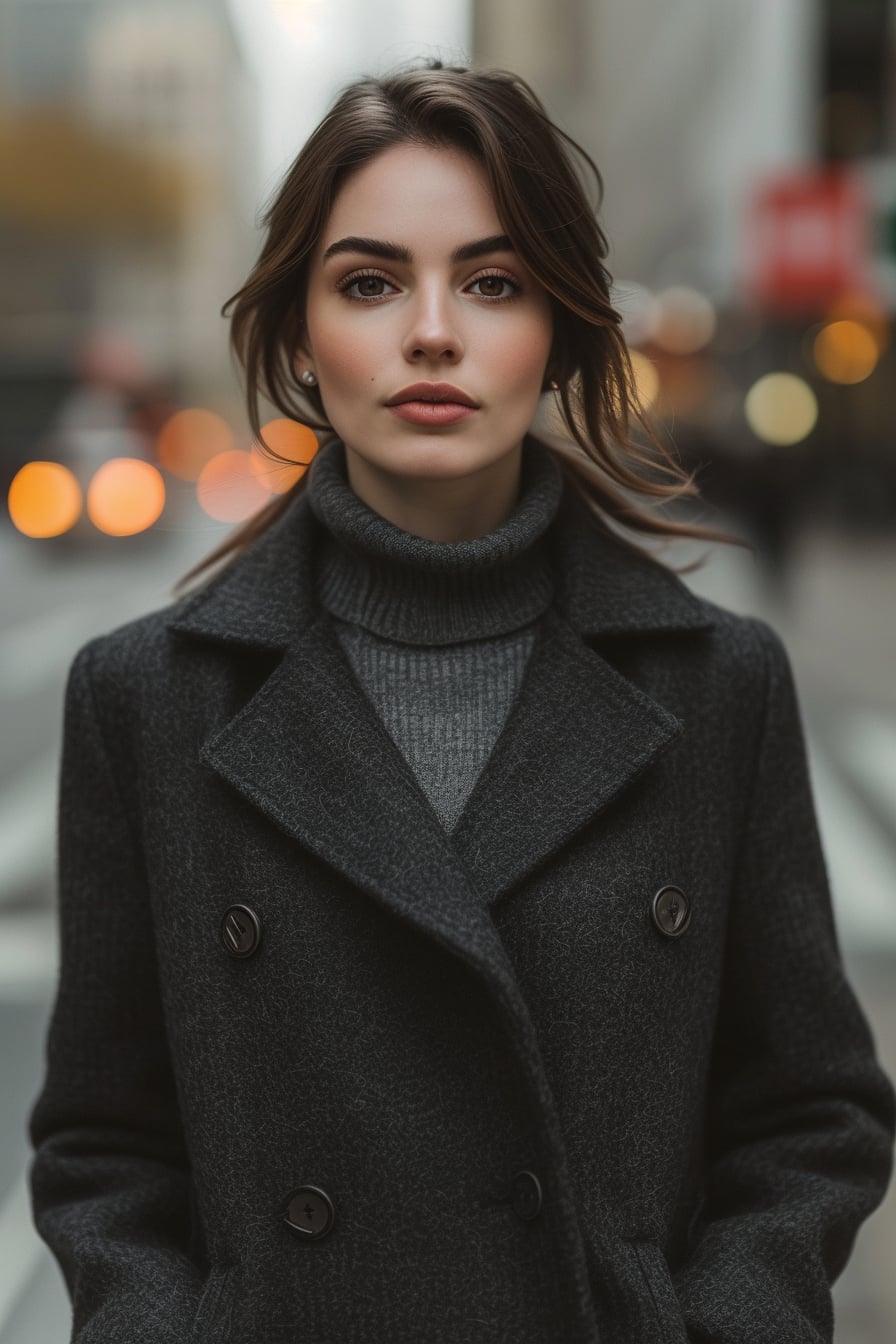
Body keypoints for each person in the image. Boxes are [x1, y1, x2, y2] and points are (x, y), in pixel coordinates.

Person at [27, 60, 895, 1344]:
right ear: (299, 340)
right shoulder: (147, 698)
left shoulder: (716, 684)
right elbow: (104, 1146)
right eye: (369, 282)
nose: (431, 331)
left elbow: (809, 1114)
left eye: (491, 283)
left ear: (556, 330)